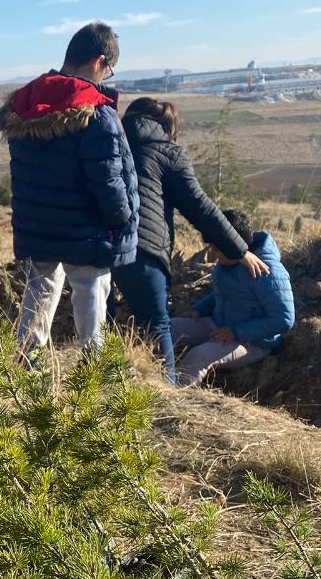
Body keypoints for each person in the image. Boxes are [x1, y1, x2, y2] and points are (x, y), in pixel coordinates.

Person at [0, 22, 138, 352]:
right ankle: (92, 370)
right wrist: (120, 219)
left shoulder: (24, 104)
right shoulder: (94, 112)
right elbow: (108, 179)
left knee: (39, 290)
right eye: (109, 70)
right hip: (85, 229)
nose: (106, 78)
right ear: (99, 61)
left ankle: (27, 363)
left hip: (37, 224)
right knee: (90, 297)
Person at [113, 97, 269, 381]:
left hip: (97, 251)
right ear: (167, 128)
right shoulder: (165, 152)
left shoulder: (108, 145)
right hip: (143, 252)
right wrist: (239, 249)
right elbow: (199, 206)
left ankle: (106, 397)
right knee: (157, 327)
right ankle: (167, 400)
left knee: (104, 328)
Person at [171, 209, 294, 387]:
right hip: (218, 324)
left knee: (198, 356)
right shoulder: (229, 261)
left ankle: (173, 402)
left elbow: (283, 319)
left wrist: (236, 332)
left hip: (253, 341)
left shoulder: (268, 272)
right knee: (164, 329)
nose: (213, 256)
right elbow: (223, 293)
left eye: (217, 249)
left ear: (233, 244)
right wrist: (199, 309)